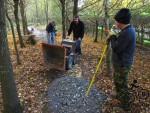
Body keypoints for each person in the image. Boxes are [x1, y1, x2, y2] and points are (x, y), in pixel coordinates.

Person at [107, 8, 136, 111]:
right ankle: (119, 95)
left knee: (122, 85)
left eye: (117, 21)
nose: (116, 23)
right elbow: (120, 43)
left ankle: (125, 105)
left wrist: (112, 36)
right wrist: (115, 34)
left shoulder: (127, 33)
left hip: (122, 65)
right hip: (121, 63)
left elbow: (116, 48)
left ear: (121, 21)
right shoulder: (128, 30)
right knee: (118, 81)